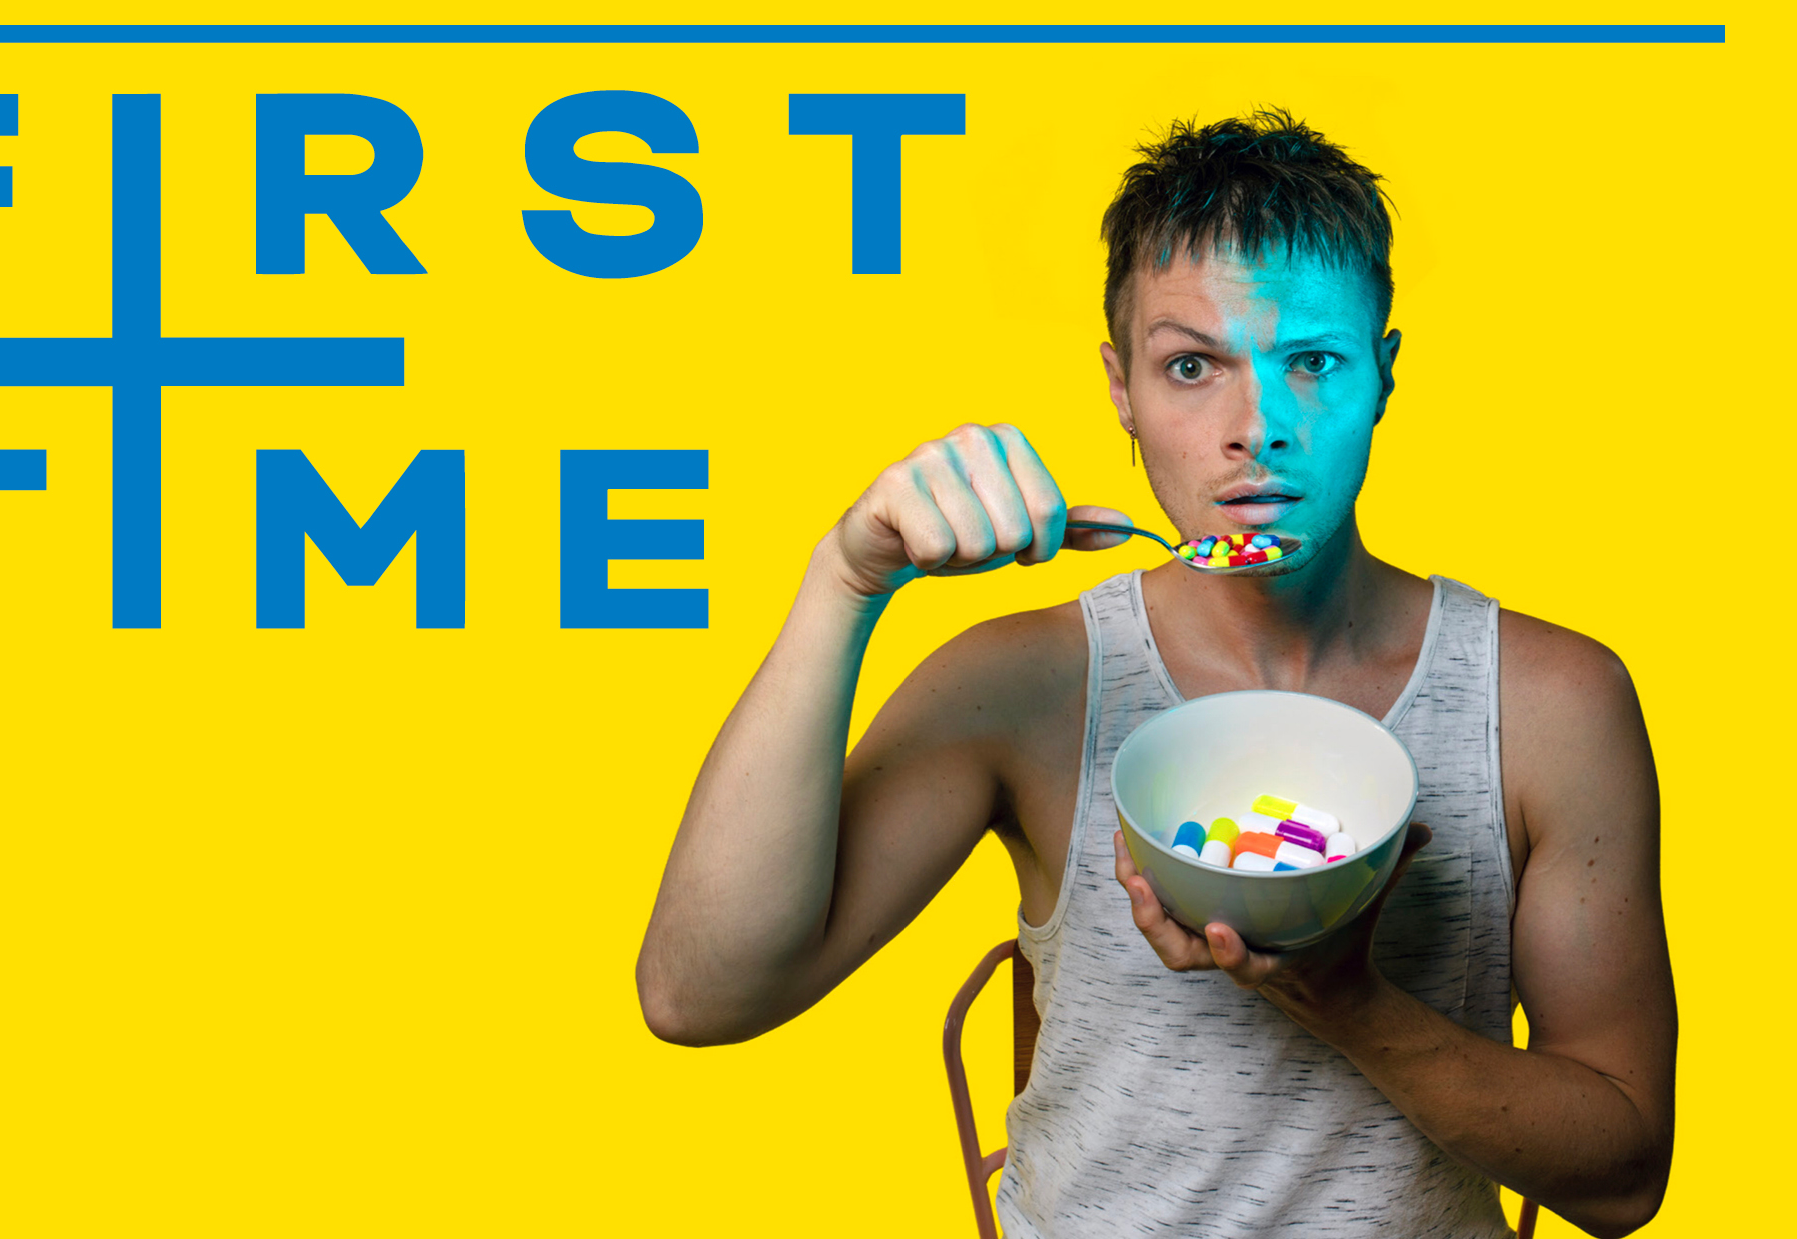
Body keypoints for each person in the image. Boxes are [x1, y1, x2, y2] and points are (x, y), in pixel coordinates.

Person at [636, 109, 1675, 1237]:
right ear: (1120, 388)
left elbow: (1621, 1176)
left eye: (1312, 362)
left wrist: (1345, 1001)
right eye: (1191, 365)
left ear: (1381, 375)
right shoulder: (1024, 685)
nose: (1254, 427)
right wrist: (843, 580)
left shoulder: (1548, 703)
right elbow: (697, 994)